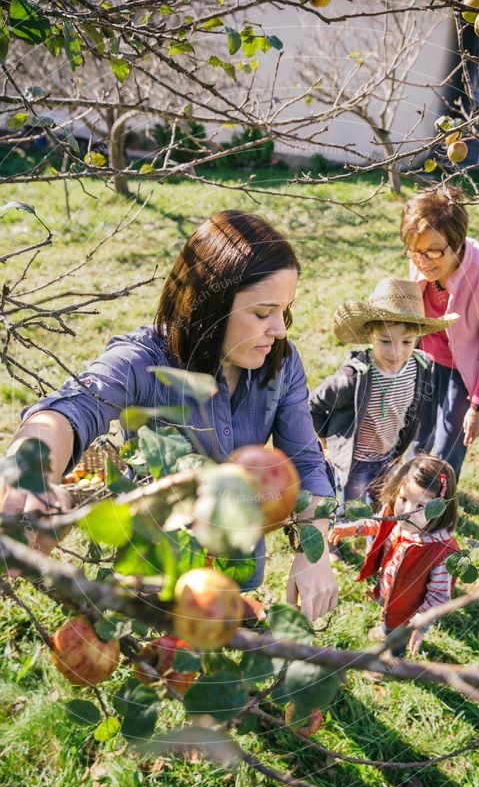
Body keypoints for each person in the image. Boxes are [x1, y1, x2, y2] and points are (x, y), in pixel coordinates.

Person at [1, 210, 338, 620]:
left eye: (285, 310)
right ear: (211, 307)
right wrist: (30, 472)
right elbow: (74, 407)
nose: (280, 330)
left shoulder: (280, 363)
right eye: (262, 313)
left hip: (237, 564)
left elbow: (303, 459)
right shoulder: (146, 362)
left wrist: (314, 552)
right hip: (159, 572)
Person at [309, 277, 458, 506]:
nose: (396, 352)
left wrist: (400, 449)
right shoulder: (355, 376)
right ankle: (337, 533)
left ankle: (375, 538)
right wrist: (326, 443)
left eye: (407, 342)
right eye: (386, 341)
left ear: (418, 336)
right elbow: (314, 405)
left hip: (389, 456)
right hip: (355, 460)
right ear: (370, 334)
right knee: (351, 506)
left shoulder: (420, 368)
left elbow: (413, 410)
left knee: (381, 501)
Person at [400, 185, 479, 480]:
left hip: (463, 371)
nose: (423, 261)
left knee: (447, 448)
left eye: (434, 252)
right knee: (417, 436)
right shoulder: (423, 255)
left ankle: (436, 513)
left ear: (458, 241)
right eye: (415, 251)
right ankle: (408, 498)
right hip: (425, 359)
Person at [328, 456, 459, 657]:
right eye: (404, 499)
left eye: (421, 506)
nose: (407, 512)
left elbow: (439, 595)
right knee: (387, 617)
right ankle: (385, 627)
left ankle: (393, 661)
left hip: (408, 612)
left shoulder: (441, 553)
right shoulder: (393, 515)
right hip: (388, 588)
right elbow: (379, 525)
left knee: (396, 636)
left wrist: (420, 624)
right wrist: (352, 529)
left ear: (440, 509)